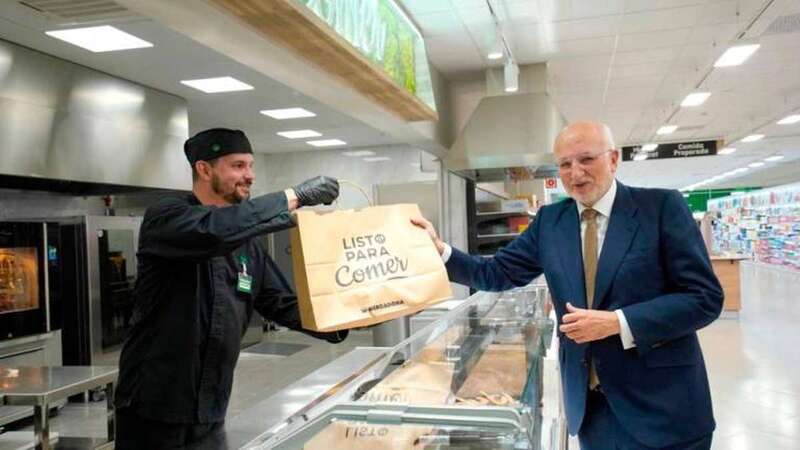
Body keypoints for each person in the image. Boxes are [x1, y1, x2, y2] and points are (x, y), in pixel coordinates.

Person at [412, 121, 723, 450]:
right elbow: (496, 273)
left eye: (586, 159)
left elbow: (704, 298)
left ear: (613, 159)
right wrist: (440, 251)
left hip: (663, 408)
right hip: (592, 412)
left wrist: (618, 322)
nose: (576, 173)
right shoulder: (550, 222)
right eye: (564, 164)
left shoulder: (661, 208)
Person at [114, 128, 347, 450]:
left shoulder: (247, 244)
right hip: (153, 410)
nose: (249, 175)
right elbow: (213, 232)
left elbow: (282, 304)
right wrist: (295, 196)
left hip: (210, 408)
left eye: (251, 166)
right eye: (238, 166)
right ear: (204, 169)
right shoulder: (167, 217)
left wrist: (358, 311)